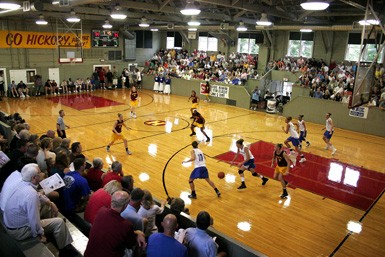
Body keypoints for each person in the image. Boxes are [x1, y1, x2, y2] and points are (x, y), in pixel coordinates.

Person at [3, 164, 75, 255]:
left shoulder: (22, 182)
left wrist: (50, 203)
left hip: (12, 223)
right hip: (20, 230)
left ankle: (54, 231)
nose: (42, 174)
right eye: (39, 173)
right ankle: (65, 250)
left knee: (47, 206)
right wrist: (40, 234)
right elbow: (34, 220)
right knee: (59, 222)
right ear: (34, 178)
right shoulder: (31, 195)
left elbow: (38, 194)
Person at [84, 191, 146, 257]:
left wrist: (136, 233)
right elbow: (130, 244)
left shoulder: (101, 211)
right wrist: (138, 233)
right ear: (125, 205)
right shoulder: (126, 225)